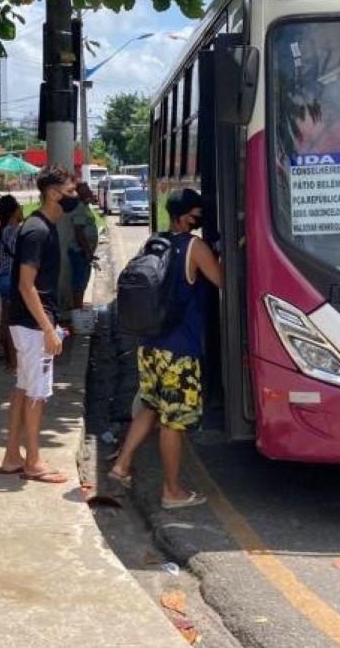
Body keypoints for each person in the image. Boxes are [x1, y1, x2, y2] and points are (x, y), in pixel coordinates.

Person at [109, 188, 222, 509]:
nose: (198, 220)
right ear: (187, 216)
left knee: (150, 405)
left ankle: (121, 465)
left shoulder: (154, 242)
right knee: (173, 421)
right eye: (196, 214)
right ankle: (172, 491)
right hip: (179, 349)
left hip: (149, 344)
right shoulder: (194, 247)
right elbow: (223, 281)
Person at [0, 166, 76, 484]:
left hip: (29, 322)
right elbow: (25, 285)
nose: (75, 197)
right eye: (70, 191)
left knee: (23, 389)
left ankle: (12, 457)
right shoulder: (37, 230)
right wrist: (48, 328)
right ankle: (33, 461)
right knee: (37, 395)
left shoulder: (40, 226)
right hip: (33, 324)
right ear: (53, 193)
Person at [0, 194, 23, 373]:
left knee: (5, 320)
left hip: (1, 278)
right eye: (19, 206)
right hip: (13, 278)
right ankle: (13, 364)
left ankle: (9, 361)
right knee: (14, 322)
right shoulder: (17, 231)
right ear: (13, 211)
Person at [68, 182, 99, 309]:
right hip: (79, 252)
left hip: (83, 252)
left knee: (82, 283)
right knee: (79, 284)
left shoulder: (85, 207)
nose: (90, 192)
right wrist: (87, 251)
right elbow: (79, 232)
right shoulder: (80, 208)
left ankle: (79, 309)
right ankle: (78, 311)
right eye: (87, 191)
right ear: (81, 194)